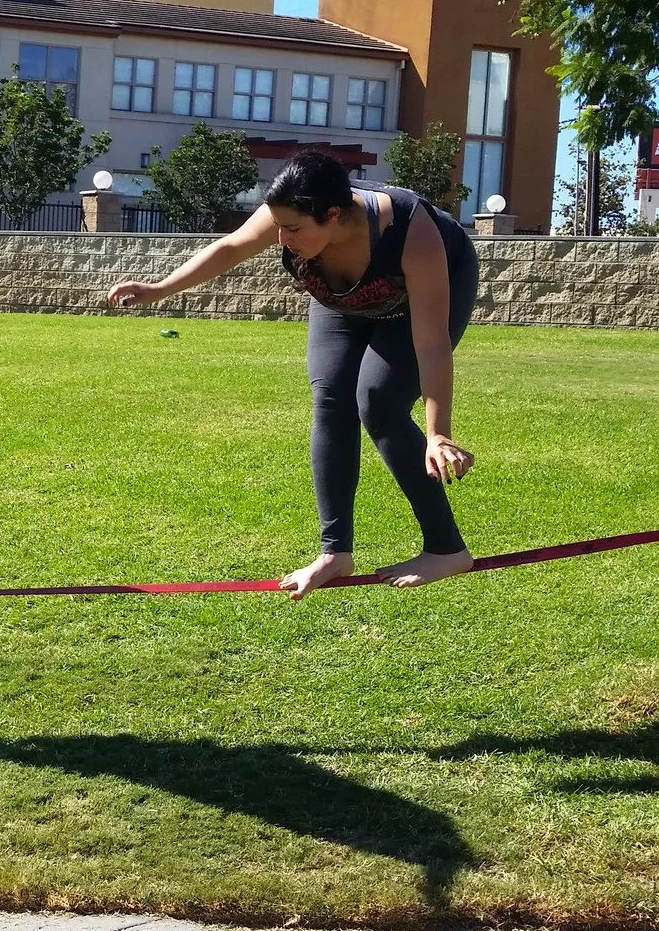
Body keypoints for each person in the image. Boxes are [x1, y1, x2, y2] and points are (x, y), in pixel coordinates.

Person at [106, 151, 480, 599]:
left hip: (424, 292)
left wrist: (438, 433)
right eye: (278, 226)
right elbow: (229, 247)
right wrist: (159, 288)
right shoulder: (293, 211)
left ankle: (445, 548)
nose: (281, 239)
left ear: (334, 214)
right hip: (341, 299)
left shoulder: (411, 231)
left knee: (378, 399)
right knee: (330, 397)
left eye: (294, 229)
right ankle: (334, 552)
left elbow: (431, 343)